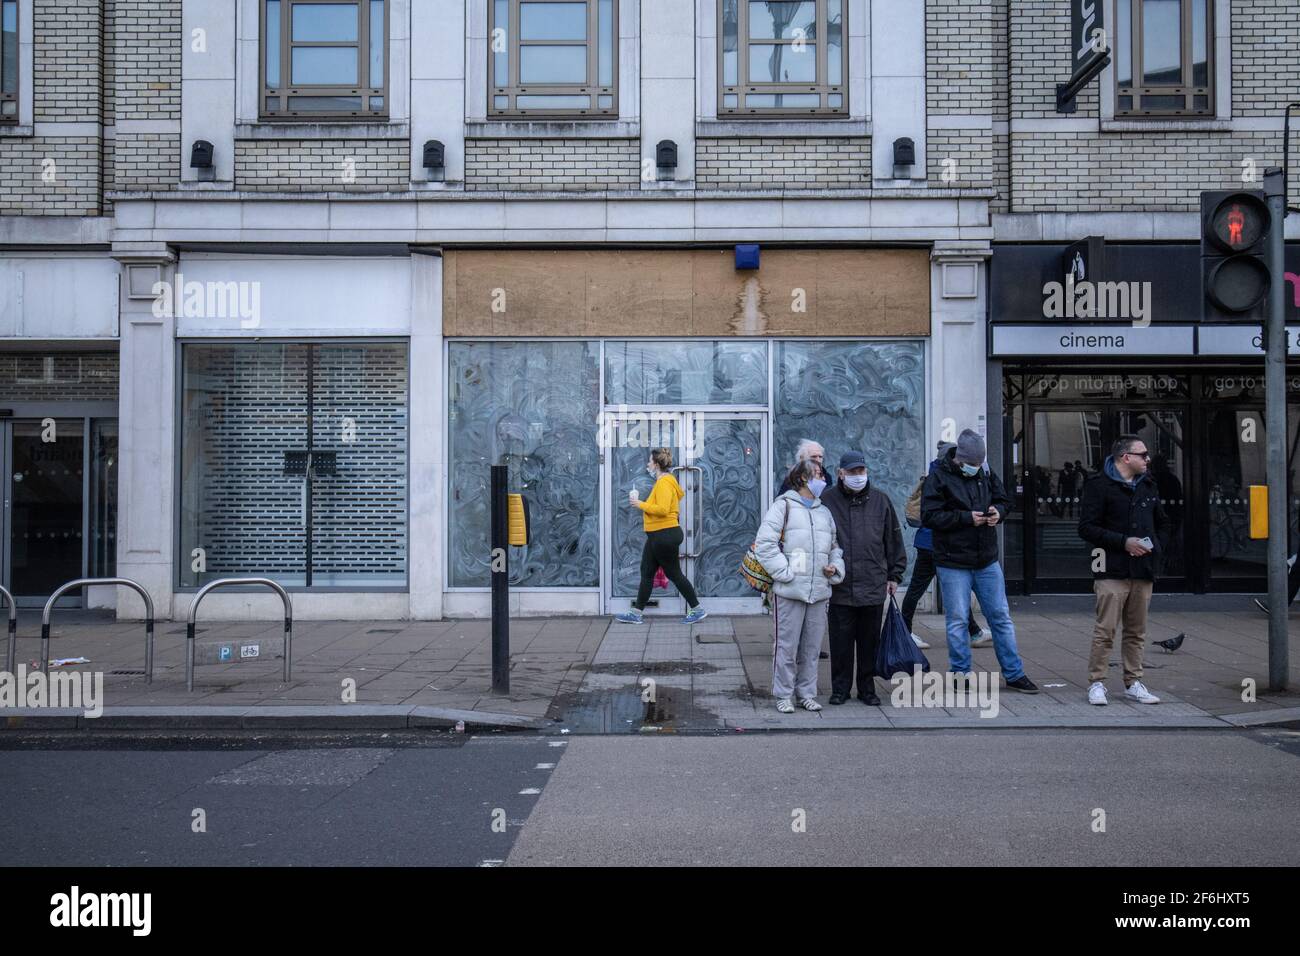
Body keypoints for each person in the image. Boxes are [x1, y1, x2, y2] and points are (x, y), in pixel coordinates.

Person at [921, 429, 1039, 693]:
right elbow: (929, 516)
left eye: (979, 463)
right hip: (952, 561)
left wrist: (1000, 512)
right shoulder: (938, 476)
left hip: (986, 558)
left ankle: (1014, 673)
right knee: (958, 620)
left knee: (1000, 617)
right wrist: (966, 518)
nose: (977, 467)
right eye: (972, 464)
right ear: (959, 459)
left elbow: (1004, 499)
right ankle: (960, 673)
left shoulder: (985, 471)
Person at [1077, 435, 1167, 705]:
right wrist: (1123, 542)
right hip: (1110, 567)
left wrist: (1156, 546)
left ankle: (1133, 681)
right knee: (1105, 629)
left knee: (1136, 630)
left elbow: (1162, 522)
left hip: (1142, 568)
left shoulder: (1148, 485)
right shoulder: (1099, 485)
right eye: (1143, 454)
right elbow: (1086, 527)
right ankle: (1097, 683)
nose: (1147, 459)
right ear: (1125, 457)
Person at [754, 459, 844, 713]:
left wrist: (835, 568)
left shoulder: (824, 512)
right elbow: (765, 544)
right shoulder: (783, 506)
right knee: (786, 647)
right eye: (817, 475)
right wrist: (784, 573)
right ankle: (783, 694)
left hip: (818, 591)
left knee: (812, 648)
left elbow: (835, 548)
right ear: (803, 478)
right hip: (790, 590)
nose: (822, 480)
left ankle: (806, 692)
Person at [821, 451, 906, 706]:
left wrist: (895, 574)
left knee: (870, 642)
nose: (858, 476)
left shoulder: (881, 501)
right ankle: (840, 689)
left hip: (872, 582)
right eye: (852, 472)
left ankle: (868, 689)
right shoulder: (827, 501)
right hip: (840, 585)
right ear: (840, 473)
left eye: (861, 471)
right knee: (840, 642)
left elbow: (893, 540)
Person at [901, 440, 992, 650]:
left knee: (953, 589)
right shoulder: (940, 478)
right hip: (933, 543)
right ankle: (905, 632)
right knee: (918, 589)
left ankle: (975, 631)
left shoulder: (938, 473)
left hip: (933, 543)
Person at [615, 447, 708, 626]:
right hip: (658, 535)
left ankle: (697, 609)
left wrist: (639, 504)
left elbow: (663, 509)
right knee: (647, 571)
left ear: (656, 465)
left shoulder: (664, 483)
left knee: (673, 573)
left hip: (664, 535)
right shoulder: (664, 481)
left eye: (650, 461)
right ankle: (636, 613)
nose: (647, 464)